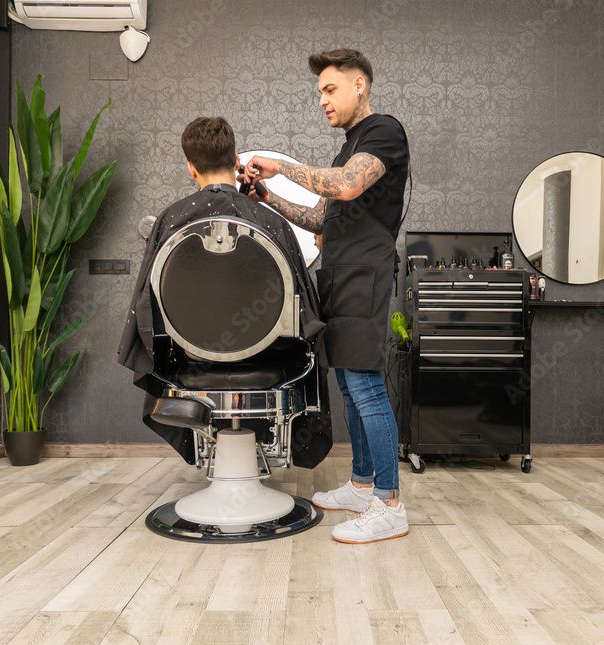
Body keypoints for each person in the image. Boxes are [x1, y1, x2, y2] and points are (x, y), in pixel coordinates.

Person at [241, 48, 411, 544]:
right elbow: (321, 218)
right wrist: (265, 198)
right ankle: (362, 484)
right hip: (338, 273)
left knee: (366, 386)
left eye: (330, 89)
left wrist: (278, 166)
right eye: (320, 92)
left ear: (360, 84)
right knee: (351, 387)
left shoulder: (384, 132)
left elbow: (347, 185)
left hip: (365, 273)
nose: (322, 100)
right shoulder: (348, 145)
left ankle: (390, 503)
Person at [117, 116, 331, 469]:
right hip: (269, 360)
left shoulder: (170, 222)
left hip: (194, 362)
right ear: (236, 163)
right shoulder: (270, 222)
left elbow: (146, 310)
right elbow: (306, 318)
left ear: (191, 168)